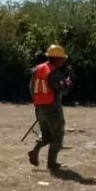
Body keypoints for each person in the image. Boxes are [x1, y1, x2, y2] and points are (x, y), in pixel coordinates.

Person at [28, 44, 74, 172]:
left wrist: (38, 101)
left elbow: (31, 88)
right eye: (62, 59)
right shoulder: (54, 72)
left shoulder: (37, 69)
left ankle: (35, 150)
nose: (64, 61)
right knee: (57, 134)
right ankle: (51, 163)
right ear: (57, 59)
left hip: (39, 106)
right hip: (52, 107)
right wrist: (69, 79)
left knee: (46, 135)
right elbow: (63, 89)